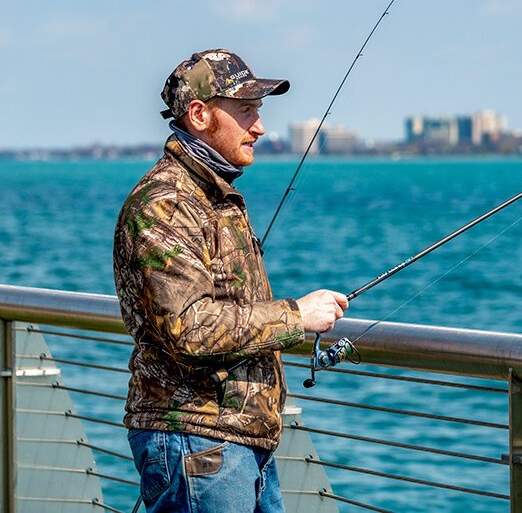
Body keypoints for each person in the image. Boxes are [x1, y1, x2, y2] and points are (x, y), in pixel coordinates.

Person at [113, 49, 349, 512]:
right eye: (246, 111)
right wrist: (296, 315)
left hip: (233, 441)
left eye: (258, 111)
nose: (259, 127)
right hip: (197, 445)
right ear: (200, 114)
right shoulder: (166, 203)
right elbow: (189, 326)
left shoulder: (214, 196)